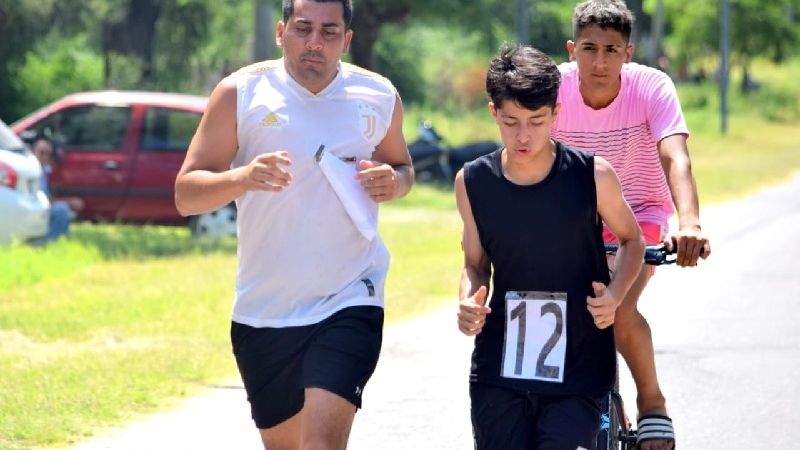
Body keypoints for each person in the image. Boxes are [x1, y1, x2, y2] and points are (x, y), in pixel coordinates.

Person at [174, 0, 414, 448]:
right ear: (281, 32)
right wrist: (243, 177)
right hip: (265, 311)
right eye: (303, 29)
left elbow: (402, 168)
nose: (314, 43)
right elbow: (186, 194)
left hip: (350, 296)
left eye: (329, 32)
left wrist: (394, 182)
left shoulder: (378, 96)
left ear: (347, 40)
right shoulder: (241, 93)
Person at [455, 44, 645, 450]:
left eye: (536, 121)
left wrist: (615, 295)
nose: (523, 135)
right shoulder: (472, 182)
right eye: (511, 122)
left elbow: (633, 240)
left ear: (556, 113)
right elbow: (474, 264)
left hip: (580, 361)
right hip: (500, 364)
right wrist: (468, 300)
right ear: (493, 113)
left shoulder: (593, 176)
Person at [550, 1, 712, 449]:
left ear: (628, 53)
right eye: (589, 49)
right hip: (571, 221)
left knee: (617, 306)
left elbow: (675, 156)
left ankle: (652, 403)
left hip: (638, 219)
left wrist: (690, 222)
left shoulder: (651, 86)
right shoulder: (553, 88)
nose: (600, 62)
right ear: (572, 50)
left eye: (611, 50)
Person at [30, 137, 83, 243]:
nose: (45, 156)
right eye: (42, 152)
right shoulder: (30, 171)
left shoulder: (45, 171)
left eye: (48, 154)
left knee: (64, 209)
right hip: (33, 206)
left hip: (41, 204)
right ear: (32, 152)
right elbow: (42, 200)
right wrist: (70, 202)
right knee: (61, 210)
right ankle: (49, 243)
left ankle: (59, 241)